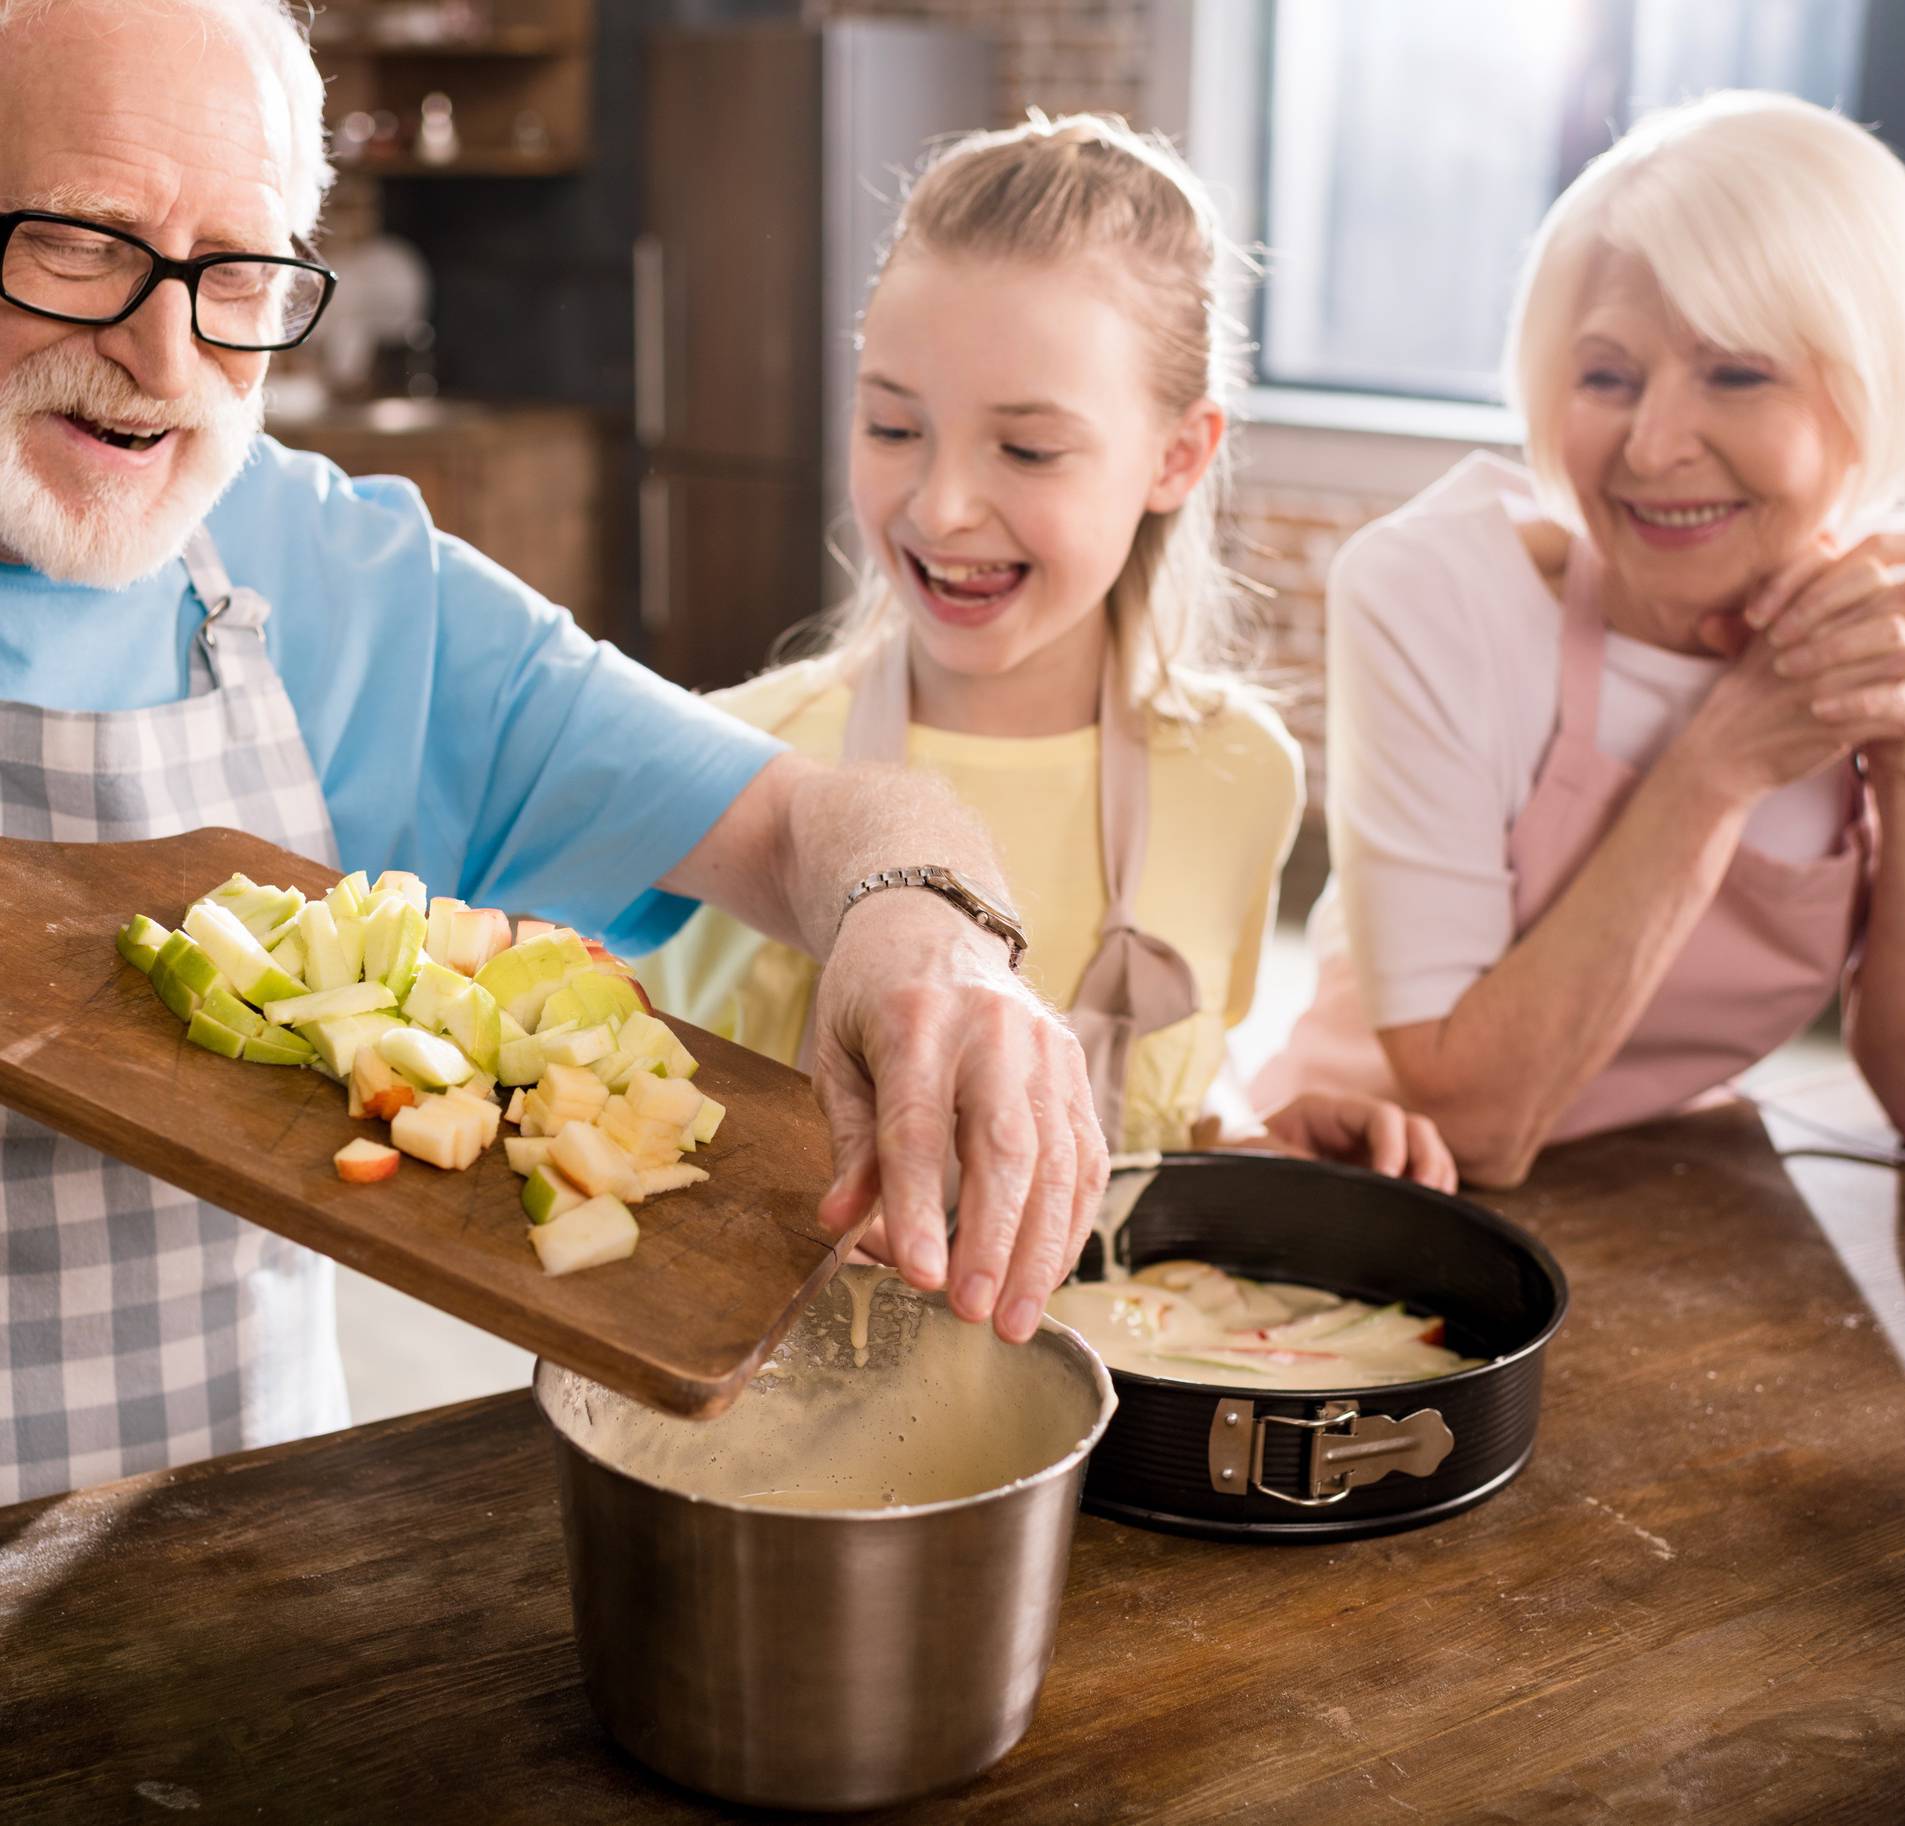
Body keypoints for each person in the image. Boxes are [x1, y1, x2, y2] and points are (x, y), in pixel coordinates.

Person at [0, 0, 1105, 1505]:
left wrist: (932, 934)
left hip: (220, 1556)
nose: (164, 350)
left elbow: (806, 822)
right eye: (80, 241)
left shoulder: (328, 577)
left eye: (241, 273)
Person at [636, 113, 1456, 1209]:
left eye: (1026, 448)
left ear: (1177, 456)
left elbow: (1167, 1108)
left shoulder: (1238, 772)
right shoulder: (739, 760)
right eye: (892, 427)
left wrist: (1259, 1142)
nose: (941, 504)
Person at [1252, 92, 1905, 1187]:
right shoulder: (1436, 590)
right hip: (1372, 1202)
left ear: (1870, 389)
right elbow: (1475, 1121)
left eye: (1736, 372)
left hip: (1676, 1195)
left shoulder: (1880, 624)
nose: (1652, 448)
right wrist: (1725, 759)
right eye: (1607, 376)